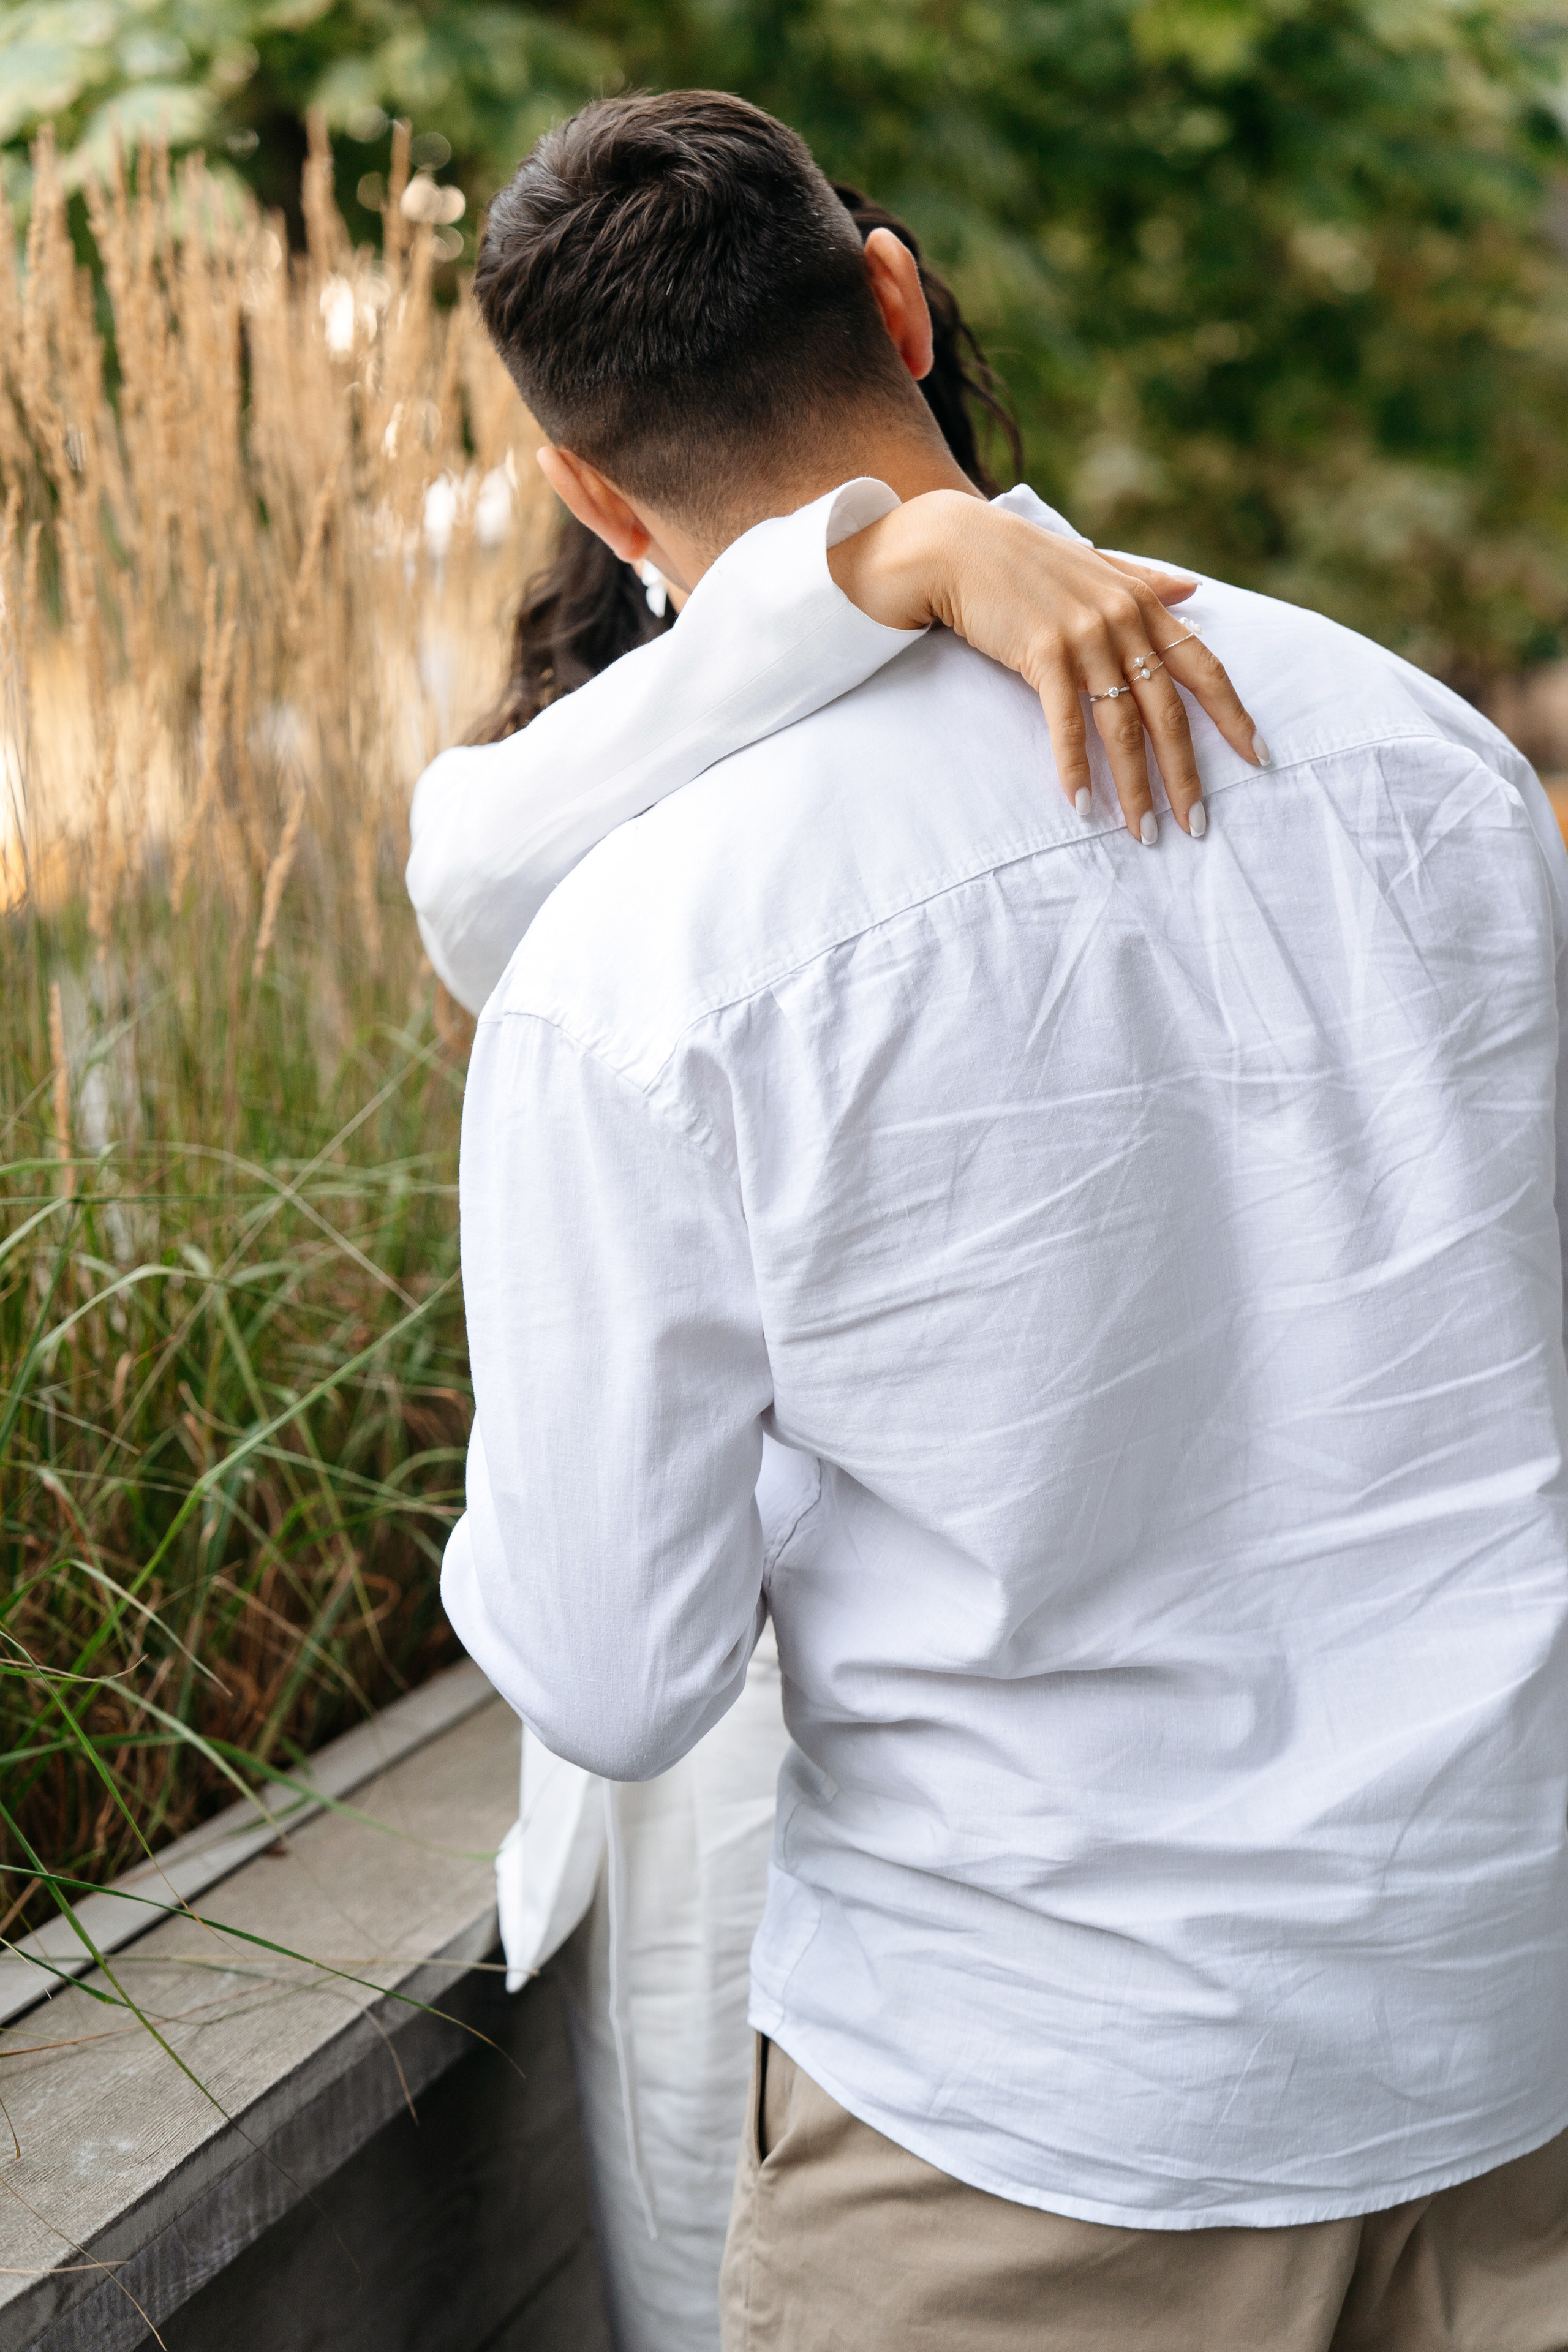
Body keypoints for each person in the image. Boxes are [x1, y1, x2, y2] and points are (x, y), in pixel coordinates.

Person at [443, 86, 1568, 2351]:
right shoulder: (1429, 761)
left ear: (585, 478)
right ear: (896, 298)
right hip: (1510, 2017)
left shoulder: (636, 963)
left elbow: (614, 1675)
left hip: (1049, 2108)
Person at [410, 196, 1263, 2352]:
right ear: (893, 295)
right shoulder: (1302, 712)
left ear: (588, 474)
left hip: (913, 1808)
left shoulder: (651, 861)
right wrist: (886, 556)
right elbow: (472, 856)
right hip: (766, 1730)